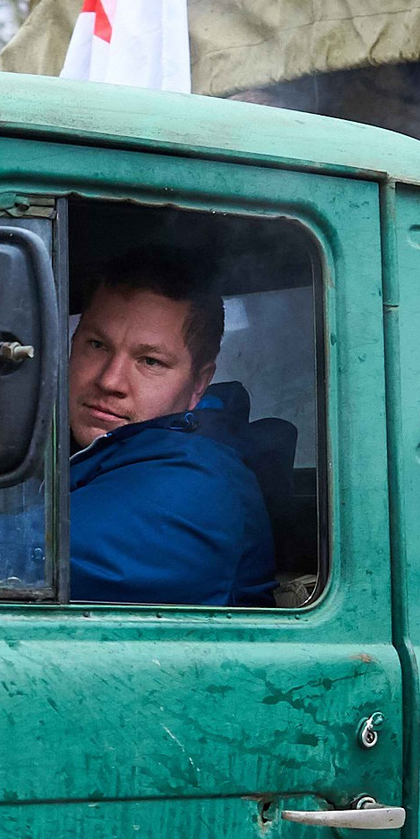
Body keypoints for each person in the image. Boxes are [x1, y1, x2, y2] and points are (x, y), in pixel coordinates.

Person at [66, 251, 277, 606]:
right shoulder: (92, 452)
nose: (110, 380)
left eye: (150, 361)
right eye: (97, 345)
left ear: (199, 384)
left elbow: (5, 556)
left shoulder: (196, 482)